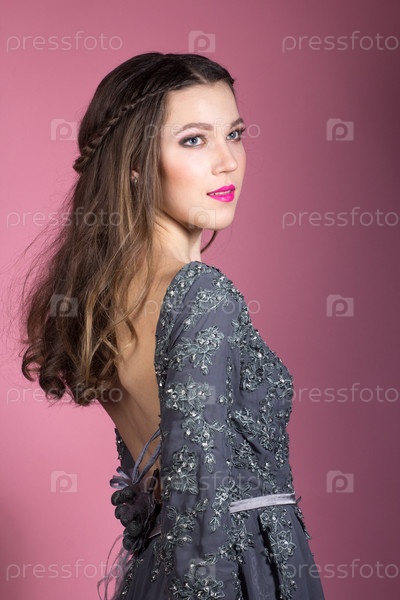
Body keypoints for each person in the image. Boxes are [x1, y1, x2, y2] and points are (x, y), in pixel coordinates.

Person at [21, 52, 325, 599]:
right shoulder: (202, 295)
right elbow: (200, 504)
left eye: (235, 134)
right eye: (194, 139)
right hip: (237, 579)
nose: (227, 161)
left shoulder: (106, 301)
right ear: (135, 162)